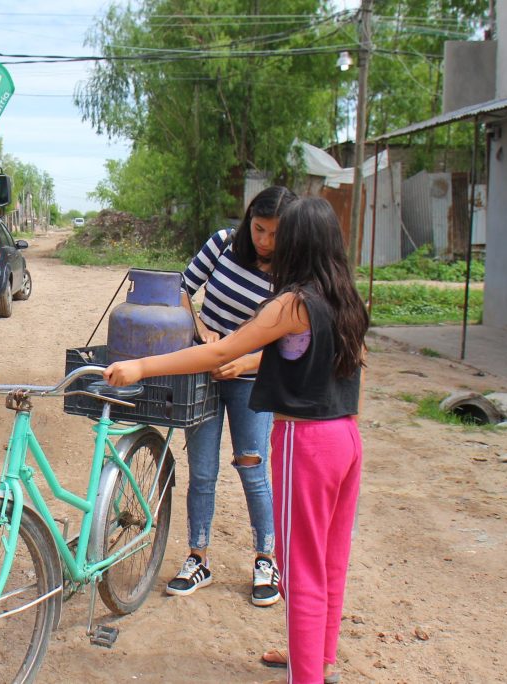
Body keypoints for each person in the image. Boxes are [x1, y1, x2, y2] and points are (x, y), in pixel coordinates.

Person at [105, 197, 368, 684]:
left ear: (302, 244)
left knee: (301, 570)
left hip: (306, 442)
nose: (270, 244)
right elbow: (338, 368)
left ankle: (305, 677)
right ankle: (316, 659)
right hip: (346, 437)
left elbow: (222, 350)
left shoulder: (294, 303)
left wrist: (141, 365)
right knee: (330, 560)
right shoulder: (346, 297)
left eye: (282, 237)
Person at [167, 186, 296, 606]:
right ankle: (197, 556)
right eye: (259, 229)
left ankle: (265, 559)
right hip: (204, 371)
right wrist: (202, 333)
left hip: (250, 381)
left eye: (275, 233)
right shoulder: (222, 244)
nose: (265, 241)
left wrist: (242, 362)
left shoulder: (291, 275)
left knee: (252, 467)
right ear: (248, 221)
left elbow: (285, 345)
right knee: (202, 471)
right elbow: (180, 288)